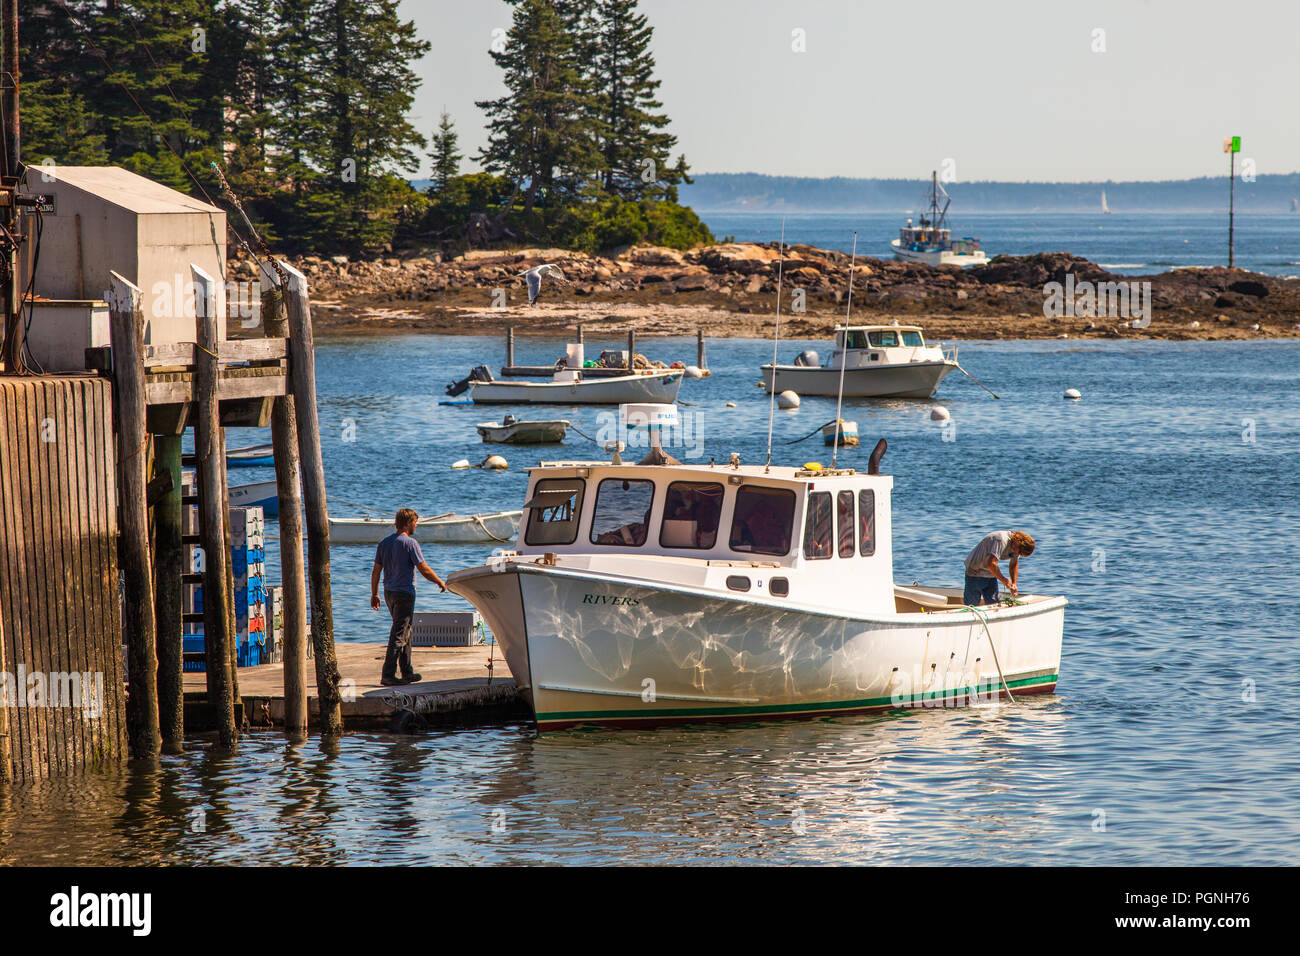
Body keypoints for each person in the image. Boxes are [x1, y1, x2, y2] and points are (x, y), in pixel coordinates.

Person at [371, 508, 447, 686]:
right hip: (404, 593)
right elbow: (423, 568)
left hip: (388, 592)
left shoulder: (384, 543)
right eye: (415, 522)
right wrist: (439, 582)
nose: (416, 525)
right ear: (407, 523)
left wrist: (374, 593)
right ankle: (388, 674)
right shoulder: (410, 543)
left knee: (406, 631)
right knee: (399, 633)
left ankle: (407, 672)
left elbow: (376, 571)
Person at [963, 530, 1035, 606]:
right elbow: (991, 564)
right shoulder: (1001, 539)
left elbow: (1014, 564)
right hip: (975, 572)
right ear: (1018, 543)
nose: (1017, 554)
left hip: (991, 574)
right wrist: (1003, 580)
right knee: (971, 606)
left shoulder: (1016, 547)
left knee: (994, 604)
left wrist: (1014, 583)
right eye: (1019, 552)